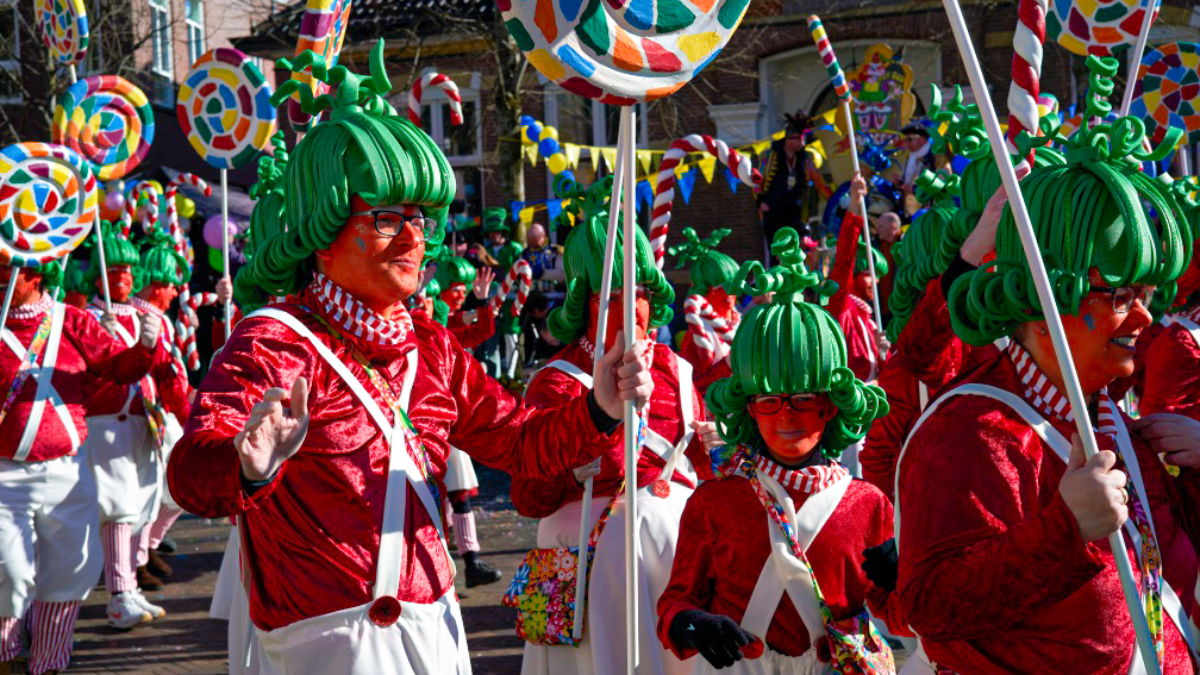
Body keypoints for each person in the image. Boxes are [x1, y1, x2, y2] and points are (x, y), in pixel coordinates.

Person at [168, 47, 653, 675]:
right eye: (387, 218)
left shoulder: (430, 344)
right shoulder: (273, 342)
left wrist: (601, 409)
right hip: (328, 645)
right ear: (325, 227)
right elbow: (188, 473)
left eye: (421, 219)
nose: (414, 239)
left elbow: (520, 443)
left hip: (436, 630)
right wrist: (244, 465)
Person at [896, 83, 1199, 673]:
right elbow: (929, 605)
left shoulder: (1119, 420)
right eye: (1119, 296)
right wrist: (1066, 532)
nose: (1143, 317)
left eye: (1146, 294)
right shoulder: (971, 432)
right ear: (1043, 298)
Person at [657, 228, 901, 673]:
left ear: (831, 405)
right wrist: (690, 623)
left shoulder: (868, 505)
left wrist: (906, 578)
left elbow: (901, 614)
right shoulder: (714, 501)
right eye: (769, 401)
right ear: (748, 408)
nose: (787, 417)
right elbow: (675, 602)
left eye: (804, 398)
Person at [510, 177, 721, 675]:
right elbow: (528, 496)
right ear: (583, 299)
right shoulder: (556, 384)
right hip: (597, 575)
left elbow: (699, 469)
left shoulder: (675, 369)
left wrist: (714, 451)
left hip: (678, 563)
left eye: (643, 293)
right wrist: (585, 453)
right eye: (614, 297)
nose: (634, 309)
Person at [0, 259, 157, 675]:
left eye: (10, 265)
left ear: (38, 272)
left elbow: (118, 370)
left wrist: (144, 349)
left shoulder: (71, 321)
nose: (3, 274)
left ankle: (49, 664)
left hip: (67, 469)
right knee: (8, 571)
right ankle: (5, 653)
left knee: (69, 570)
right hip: (4, 473)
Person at [80, 222, 187, 629]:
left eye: (127, 271)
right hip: (105, 422)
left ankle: (128, 587)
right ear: (98, 275)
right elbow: (88, 374)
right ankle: (119, 592)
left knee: (140, 505)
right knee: (118, 509)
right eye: (113, 271)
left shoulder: (142, 316)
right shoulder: (84, 317)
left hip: (144, 420)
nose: (122, 277)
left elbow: (162, 371)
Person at [125, 229, 194, 591]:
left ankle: (147, 548)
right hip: (155, 412)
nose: (173, 294)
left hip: (165, 411)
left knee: (168, 489)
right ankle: (135, 561)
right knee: (157, 489)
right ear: (155, 282)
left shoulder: (160, 318)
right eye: (169, 286)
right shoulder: (138, 317)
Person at [431, 252, 503, 587]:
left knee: (459, 491)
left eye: (464, 288)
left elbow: (484, 330)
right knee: (433, 495)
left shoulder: (454, 323)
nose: (461, 293)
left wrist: (484, 298)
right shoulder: (430, 324)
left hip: (454, 420)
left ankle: (470, 561)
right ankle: (441, 567)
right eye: (456, 287)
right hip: (427, 421)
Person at [670, 227, 742, 397]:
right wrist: (727, 364)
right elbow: (693, 384)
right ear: (704, 290)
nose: (728, 293)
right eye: (719, 287)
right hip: (713, 412)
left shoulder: (742, 323)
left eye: (731, 285)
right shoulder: (700, 332)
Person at [757, 112, 814, 259]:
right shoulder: (770, 157)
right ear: (788, 140)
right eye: (798, 139)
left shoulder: (804, 159)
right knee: (777, 250)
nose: (802, 143)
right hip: (773, 210)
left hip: (794, 210)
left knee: (795, 248)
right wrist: (761, 201)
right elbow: (756, 180)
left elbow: (812, 183)